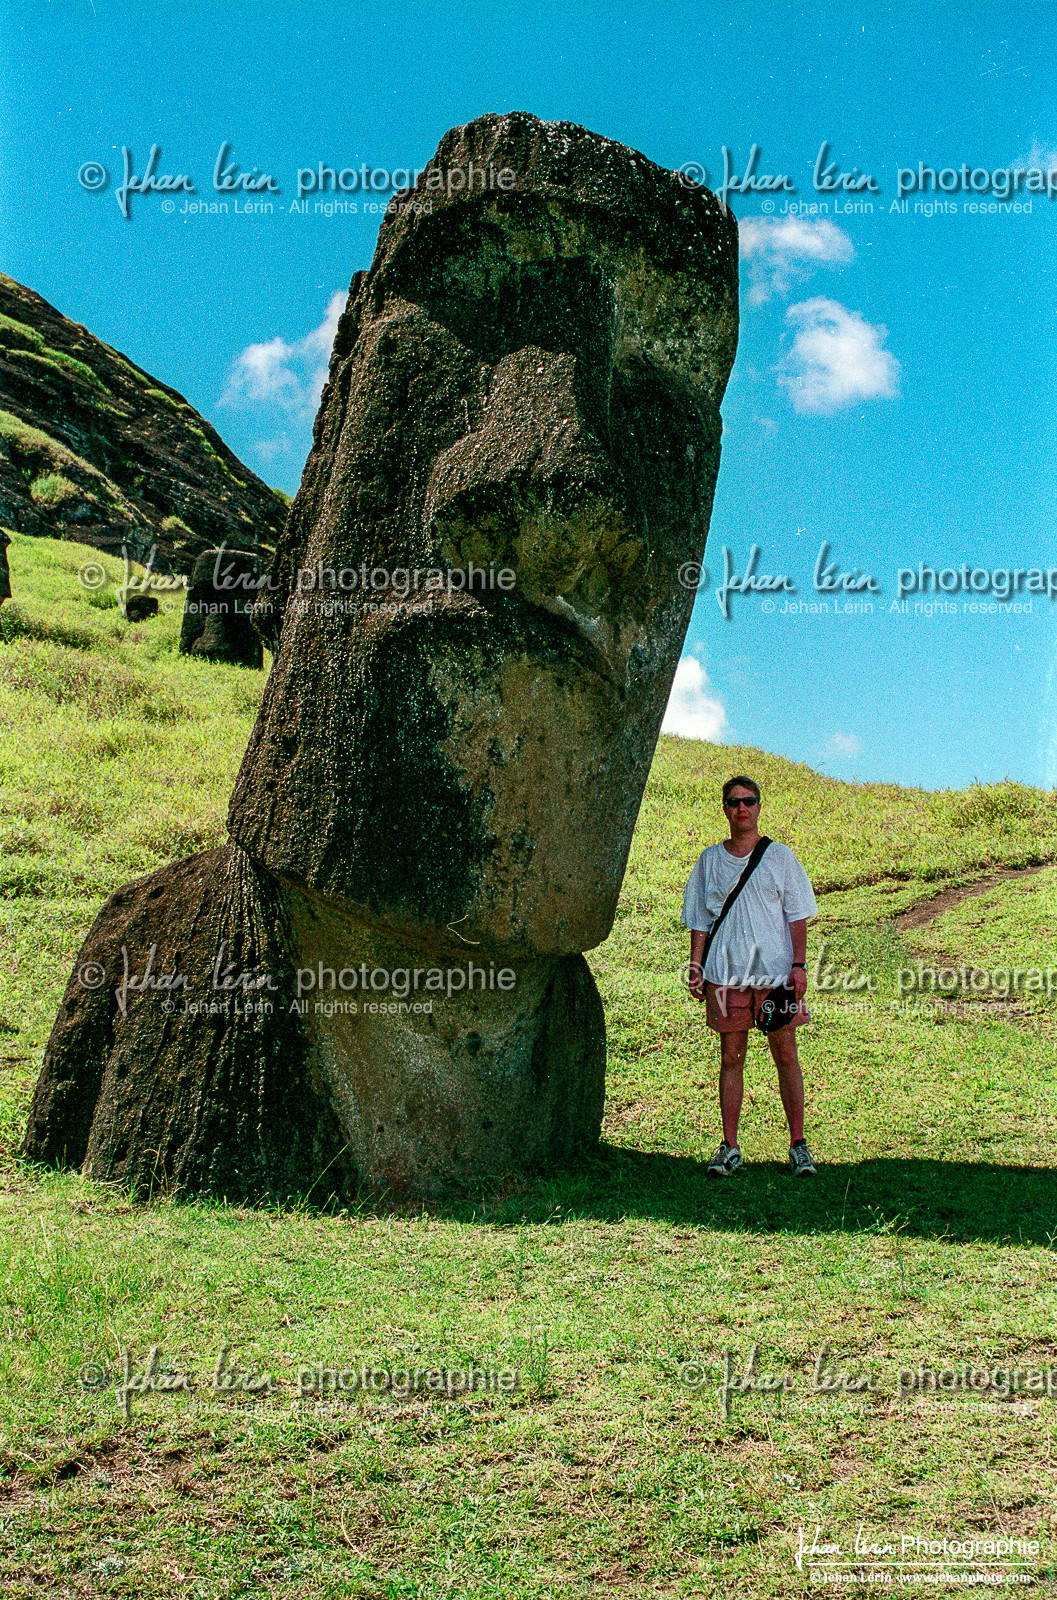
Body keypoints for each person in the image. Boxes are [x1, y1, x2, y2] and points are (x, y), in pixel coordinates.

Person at [682, 775, 818, 1176]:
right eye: (734, 801)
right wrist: (696, 964)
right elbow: (700, 920)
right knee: (731, 1057)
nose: (742, 808)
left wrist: (799, 966)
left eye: (749, 801)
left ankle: (798, 1144)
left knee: (787, 1055)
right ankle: (730, 1146)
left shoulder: (780, 858)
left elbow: (797, 914)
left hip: (775, 975)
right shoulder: (709, 860)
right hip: (725, 975)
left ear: (759, 807)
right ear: (724, 808)